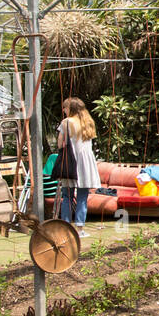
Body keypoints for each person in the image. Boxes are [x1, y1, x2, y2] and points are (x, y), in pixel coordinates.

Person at [56, 97, 100, 238]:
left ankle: (67, 228)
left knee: (67, 196)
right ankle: (80, 230)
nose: (64, 110)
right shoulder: (88, 122)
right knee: (82, 196)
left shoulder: (66, 122)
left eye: (65, 107)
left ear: (71, 109)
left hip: (71, 162)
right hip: (86, 163)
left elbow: (60, 144)